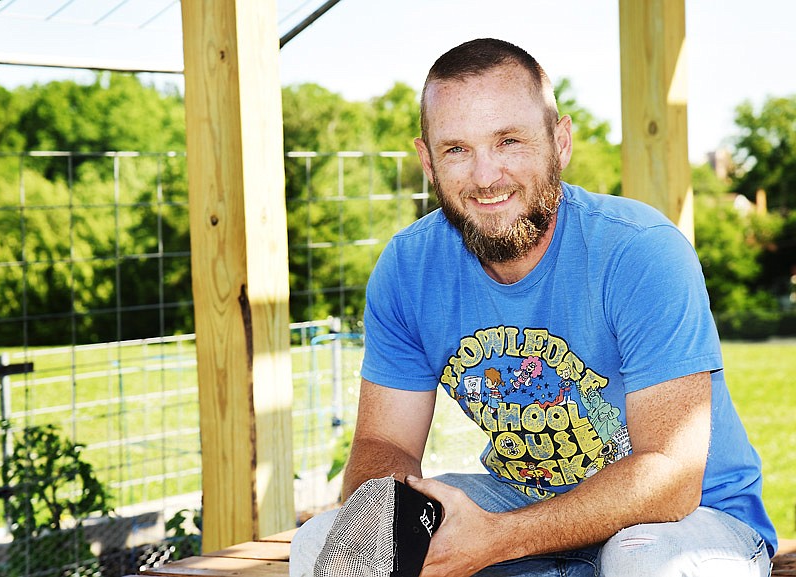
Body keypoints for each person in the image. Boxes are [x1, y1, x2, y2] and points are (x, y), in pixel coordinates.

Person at [290, 37, 777, 577]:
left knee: (653, 563)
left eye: (509, 141)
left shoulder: (639, 251)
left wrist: (496, 541)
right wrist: (382, 526)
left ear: (560, 142)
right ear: (427, 161)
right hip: (521, 502)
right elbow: (384, 442)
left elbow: (670, 475)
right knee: (322, 542)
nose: (485, 175)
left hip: (685, 518)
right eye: (457, 149)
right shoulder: (408, 269)